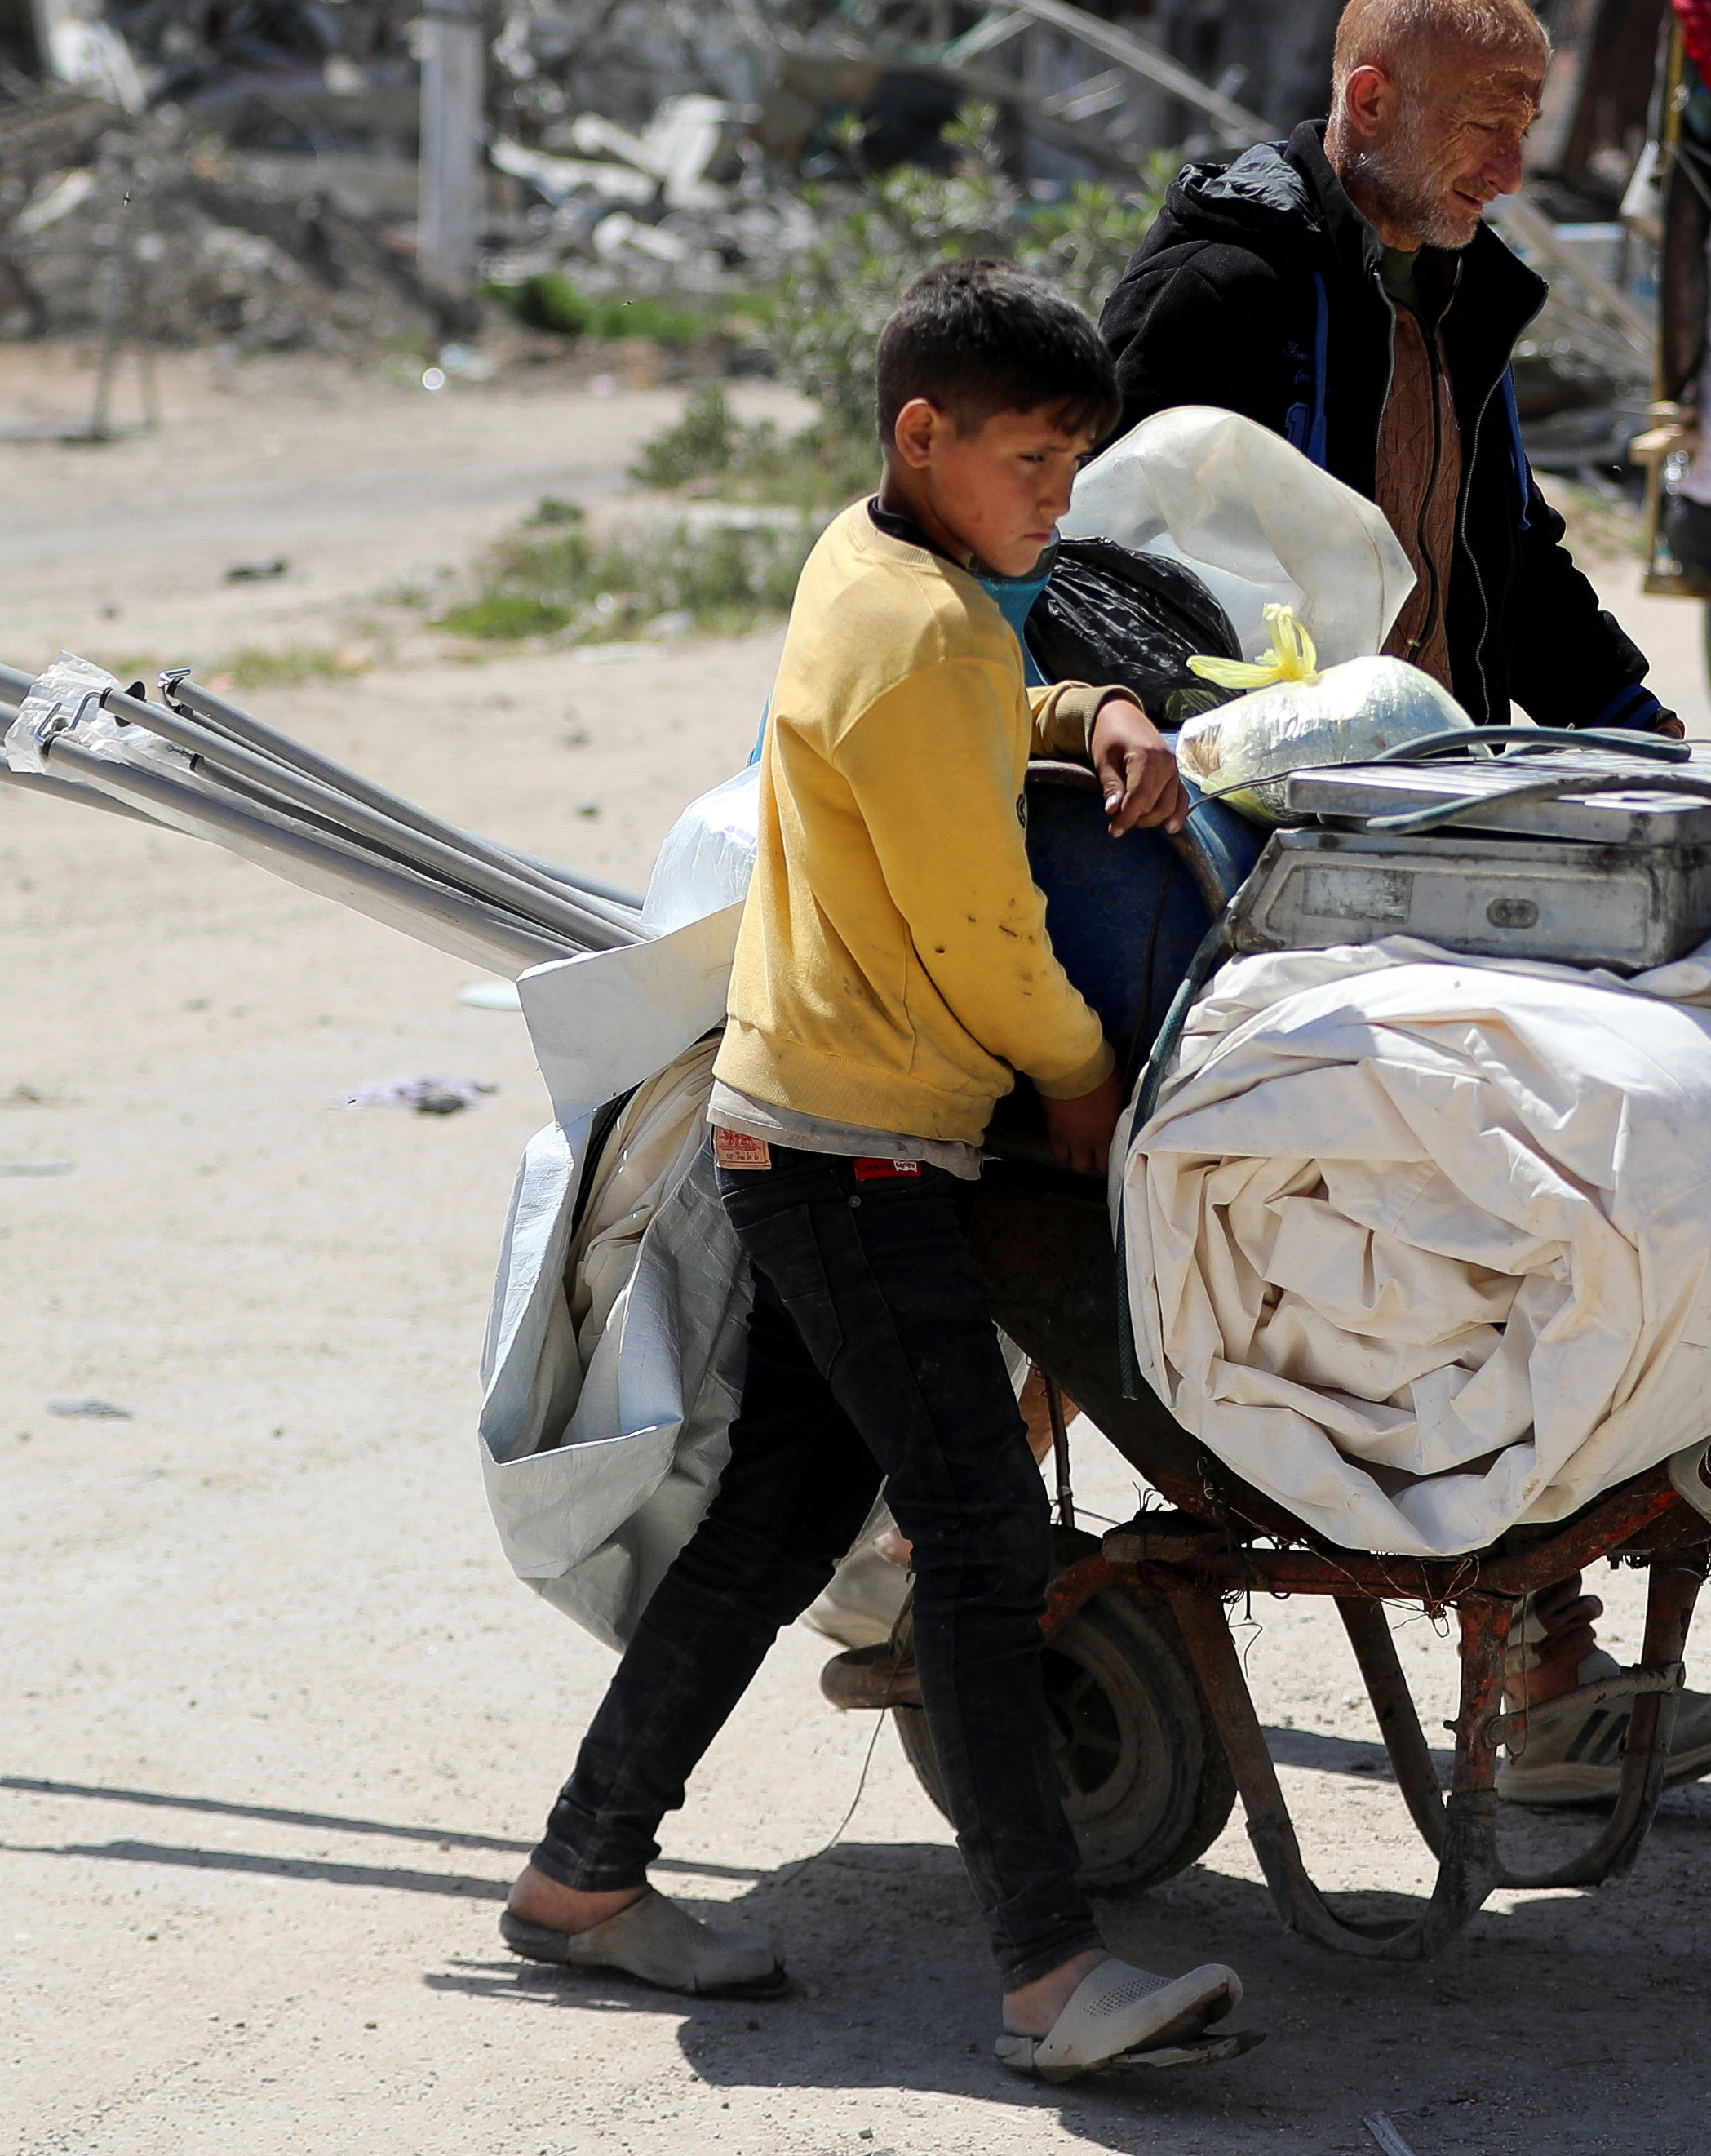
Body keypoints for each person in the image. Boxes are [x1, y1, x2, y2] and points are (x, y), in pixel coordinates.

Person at [496, 260, 1260, 2083]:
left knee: (773, 1524)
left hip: (810, 1131)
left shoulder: (882, 569)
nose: (1056, 501)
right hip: (857, 1155)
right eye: (1028, 463)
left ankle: (582, 1878)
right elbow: (982, 931)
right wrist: (1082, 1075)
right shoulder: (924, 626)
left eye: (1074, 464)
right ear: (926, 436)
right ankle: (1051, 1978)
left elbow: (962, 729)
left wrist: (1090, 712)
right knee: (981, 1541)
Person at [1101, 0, 1711, 1809]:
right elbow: (1114, 578)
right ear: (1370, 99)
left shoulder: (1453, 297)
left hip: (1415, 824)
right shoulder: (1224, 293)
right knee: (1456, 1216)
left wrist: (1647, 739)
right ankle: (1534, 1664)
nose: (1513, 163)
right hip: (1258, 844)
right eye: (1487, 123)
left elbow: (1512, 556)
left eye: (1528, 125)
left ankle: (1541, 1662)